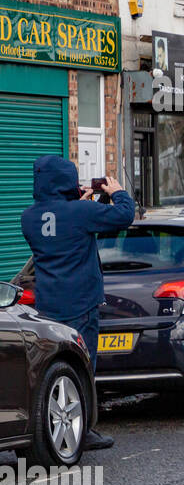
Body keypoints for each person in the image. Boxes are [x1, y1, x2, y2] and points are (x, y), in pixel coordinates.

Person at [20, 157, 136, 451]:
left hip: (47, 306)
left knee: (56, 369)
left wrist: (76, 200)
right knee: (84, 369)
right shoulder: (81, 212)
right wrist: (118, 191)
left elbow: (59, 222)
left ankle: (62, 427)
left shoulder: (29, 217)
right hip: (81, 304)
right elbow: (124, 215)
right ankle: (84, 431)